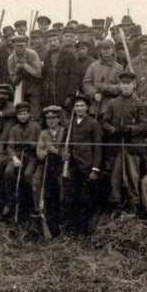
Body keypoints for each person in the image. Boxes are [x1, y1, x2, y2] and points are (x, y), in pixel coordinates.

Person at [102, 71, 147, 217]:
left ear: (134, 85)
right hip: (117, 146)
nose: (126, 87)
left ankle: (134, 205)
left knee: (132, 176)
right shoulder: (112, 103)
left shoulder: (140, 104)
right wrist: (114, 130)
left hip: (133, 146)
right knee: (115, 177)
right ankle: (117, 205)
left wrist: (130, 129)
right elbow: (104, 122)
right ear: (120, 85)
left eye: (128, 84)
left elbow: (145, 126)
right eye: (123, 83)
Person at [62, 93, 103, 235]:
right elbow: (64, 144)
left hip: (87, 166)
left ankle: (86, 230)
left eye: (82, 106)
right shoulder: (70, 124)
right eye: (77, 106)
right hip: (72, 166)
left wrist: (95, 169)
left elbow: (98, 148)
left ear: (87, 108)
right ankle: (73, 229)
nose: (79, 108)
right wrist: (64, 154)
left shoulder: (93, 124)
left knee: (86, 198)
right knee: (72, 197)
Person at [0, 101, 41, 219]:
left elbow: (40, 144)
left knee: (28, 174)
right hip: (17, 156)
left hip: (31, 157)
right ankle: (11, 200)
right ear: (17, 115)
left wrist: (31, 145)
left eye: (25, 114)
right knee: (8, 172)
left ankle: (30, 203)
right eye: (20, 114)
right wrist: (14, 158)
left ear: (29, 115)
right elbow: (10, 146)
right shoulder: (14, 128)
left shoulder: (36, 127)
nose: (22, 116)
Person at [33, 105, 66, 236]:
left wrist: (57, 152)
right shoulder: (43, 133)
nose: (51, 121)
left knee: (63, 189)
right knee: (37, 184)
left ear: (59, 119)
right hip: (46, 165)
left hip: (61, 165)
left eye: (53, 118)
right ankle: (39, 210)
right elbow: (39, 153)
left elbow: (67, 151)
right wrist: (46, 151)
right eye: (48, 119)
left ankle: (62, 221)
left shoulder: (64, 132)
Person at [82, 39, 123, 118]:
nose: (106, 51)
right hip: (95, 105)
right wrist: (94, 93)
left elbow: (121, 86)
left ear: (113, 50)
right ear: (100, 51)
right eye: (104, 49)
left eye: (109, 49)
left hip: (112, 106)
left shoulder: (118, 68)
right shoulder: (93, 66)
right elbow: (86, 83)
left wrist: (106, 88)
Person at [7, 34, 44, 119]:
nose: (20, 48)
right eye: (17, 46)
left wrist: (25, 66)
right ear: (13, 46)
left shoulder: (32, 54)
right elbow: (12, 79)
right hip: (20, 88)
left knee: (35, 114)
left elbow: (38, 73)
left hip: (34, 87)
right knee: (21, 113)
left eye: (22, 46)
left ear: (26, 45)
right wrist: (17, 72)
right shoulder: (11, 59)